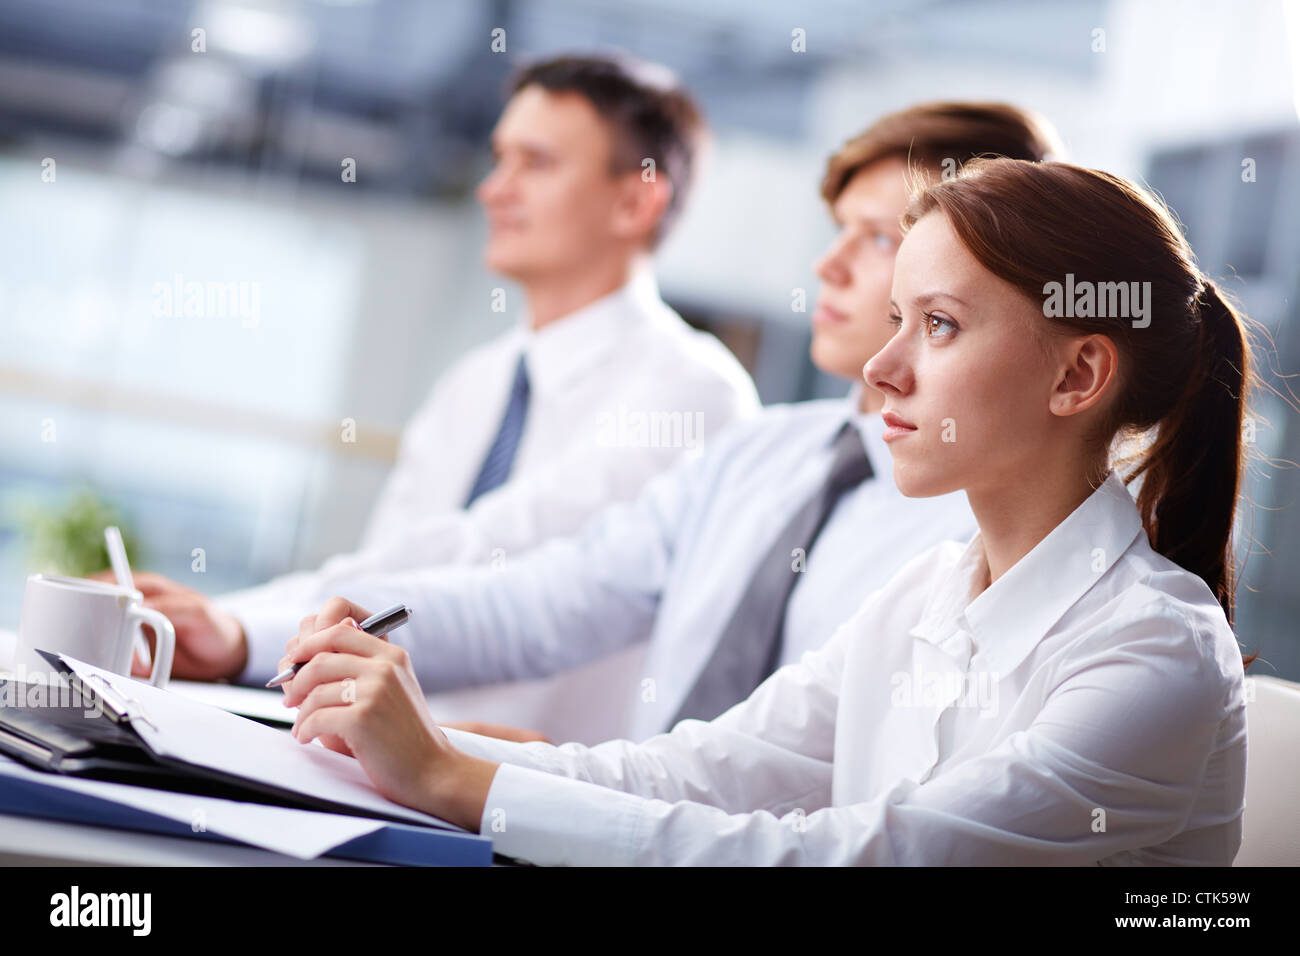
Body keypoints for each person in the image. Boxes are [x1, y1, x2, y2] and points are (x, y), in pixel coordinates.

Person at [279, 156, 1261, 865]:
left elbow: (859, 858)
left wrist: (449, 777)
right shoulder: (926, 590)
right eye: (896, 320)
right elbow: (688, 775)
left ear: (1078, 374)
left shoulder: (1154, 651)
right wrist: (410, 742)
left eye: (939, 325)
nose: (881, 369)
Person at [263, 103, 1063, 746]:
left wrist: (552, 778)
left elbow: (847, 789)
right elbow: (554, 597)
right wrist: (342, 621)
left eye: (881, 238)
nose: (830, 266)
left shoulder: (989, 530)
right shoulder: (761, 453)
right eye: (838, 231)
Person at [119, 54, 759, 684]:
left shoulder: (694, 391)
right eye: (500, 159)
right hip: (372, 738)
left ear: (634, 201)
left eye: (535, 162)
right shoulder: (476, 382)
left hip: (521, 755)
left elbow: (488, 559)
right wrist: (225, 624)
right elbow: (389, 565)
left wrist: (238, 631)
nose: (493, 189)